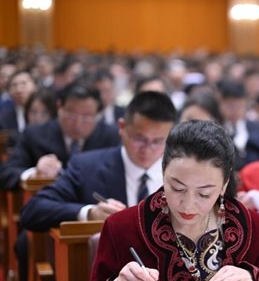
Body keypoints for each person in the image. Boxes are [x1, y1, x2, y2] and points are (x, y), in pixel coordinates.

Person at [81, 120, 259, 281]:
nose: (188, 205)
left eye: (205, 194)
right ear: (163, 171)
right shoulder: (123, 227)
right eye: (177, 188)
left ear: (224, 185)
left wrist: (252, 278)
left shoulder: (255, 228)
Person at [20, 91, 177, 231]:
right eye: (139, 138)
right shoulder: (86, 166)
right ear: (122, 127)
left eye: (157, 141)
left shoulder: (181, 174)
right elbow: (33, 210)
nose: (147, 149)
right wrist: (90, 213)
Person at [0, 81, 120, 191]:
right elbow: (6, 173)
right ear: (59, 107)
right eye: (71, 114)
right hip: (47, 209)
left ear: (97, 115)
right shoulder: (35, 134)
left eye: (87, 116)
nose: (78, 123)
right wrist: (34, 174)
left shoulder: (111, 137)